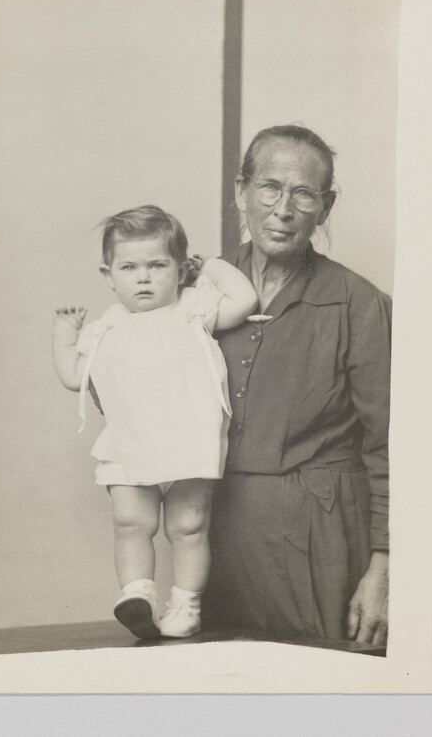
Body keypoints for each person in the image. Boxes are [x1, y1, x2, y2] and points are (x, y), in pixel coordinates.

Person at [203, 125, 391, 647]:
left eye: (303, 193)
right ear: (242, 190)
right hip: (220, 530)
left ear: (324, 208)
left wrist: (384, 570)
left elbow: (390, 446)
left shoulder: (358, 303)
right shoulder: (198, 288)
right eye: (269, 187)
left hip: (323, 536)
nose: (283, 208)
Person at [53, 205, 257, 639]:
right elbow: (74, 376)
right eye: (129, 267)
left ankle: (185, 604)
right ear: (109, 276)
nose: (143, 277)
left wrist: (214, 267)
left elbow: (244, 301)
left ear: (181, 271)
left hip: (189, 438)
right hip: (130, 440)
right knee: (131, 521)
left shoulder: (193, 307)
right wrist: (65, 335)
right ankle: (137, 595)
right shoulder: (105, 328)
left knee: (187, 526)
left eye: (157, 265)